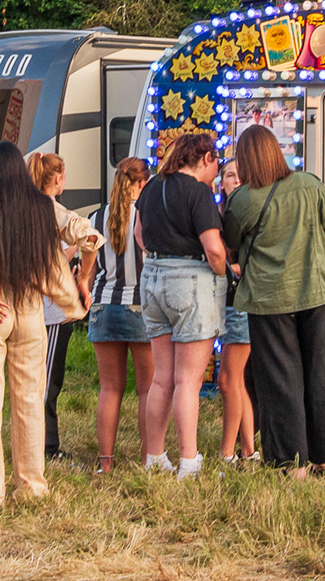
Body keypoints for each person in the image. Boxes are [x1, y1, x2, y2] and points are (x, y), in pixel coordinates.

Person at [223, 124, 325, 479]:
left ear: (245, 160)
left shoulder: (242, 199)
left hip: (269, 298)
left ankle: (293, 465)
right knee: (321, 375)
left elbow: (231, 240)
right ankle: (324, 457)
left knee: (280, 381)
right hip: (318, 292)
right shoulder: (310, 184)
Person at [0, 141, 80, 503]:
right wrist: (83, 279)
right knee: (29, 399)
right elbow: (83, 232)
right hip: (31, 308)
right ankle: (31, 485)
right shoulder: (43, 206)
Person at [135, 132, 227, 479]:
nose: (217, 171)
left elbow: (139, 234)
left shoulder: (152, 187)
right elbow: (213, 248)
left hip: (153, 277)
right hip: (190, 280)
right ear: (205, 158)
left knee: (161, 378)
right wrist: (225, 273)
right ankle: (189, 461)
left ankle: (155, 456)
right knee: (188, 379)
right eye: (217, 162)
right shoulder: (199, 193)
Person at [27, 152, 99, 463]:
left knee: (31, 377)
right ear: (57, 178)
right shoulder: (53, 211)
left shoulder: (22, 207)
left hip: (26, 306)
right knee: (48, 380)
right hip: (52, 308)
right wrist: (83, 277)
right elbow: (90, 239)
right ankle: (46, 446)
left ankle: (32, 442)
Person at [88, 157, 153, 475]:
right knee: (147, 390)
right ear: (142, 183)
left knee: (110, 388)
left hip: (103, 305)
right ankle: (148, 458)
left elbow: (88, 268)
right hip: (141, 306)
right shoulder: (147, 214)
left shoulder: (95, 216)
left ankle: (105, 462)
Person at [215, 157, 256, 465]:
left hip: (242, 303)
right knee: (235, 381)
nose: (236, 180)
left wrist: (229, 268)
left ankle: (227, 452)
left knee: (228, 381)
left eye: (241, 175)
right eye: (230, 175)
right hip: (221, 303)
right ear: (221, 183)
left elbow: (255, 261)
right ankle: (248, 449)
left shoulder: (252, 214)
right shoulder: (217, 214)